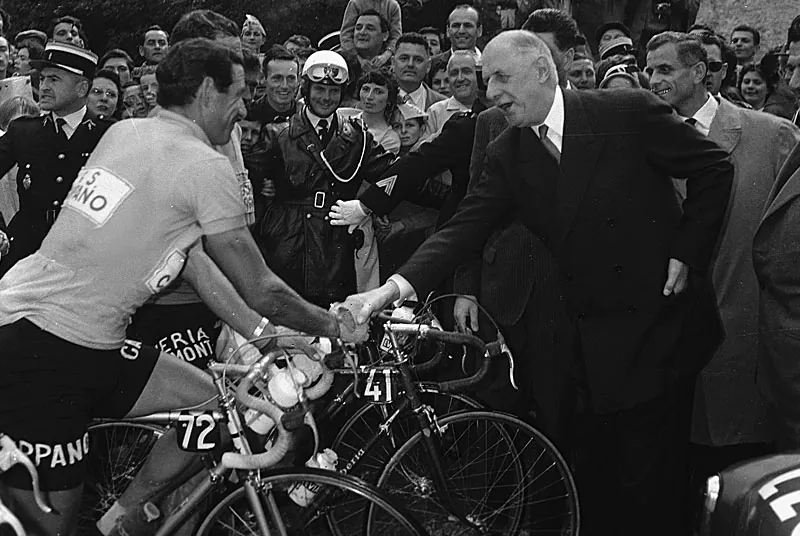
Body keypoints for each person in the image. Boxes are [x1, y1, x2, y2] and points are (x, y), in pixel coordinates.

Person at [340, 30, 734, 536]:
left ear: (543, 70)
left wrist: (687, 250)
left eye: (503, 78)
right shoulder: (510, 150)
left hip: (659, 329)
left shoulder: (626, 113)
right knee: (592, 477)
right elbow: (464, 227)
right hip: (587, 340)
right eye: (487, 82)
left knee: (653, 485)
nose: (493, 92)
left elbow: (713, 168)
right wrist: (386, 291)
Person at [0, 37, 364, 536]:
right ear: (207, 92)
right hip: (46, 351)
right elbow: (260, 285)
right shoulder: (203, 164)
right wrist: (332, 326)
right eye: (239, 93)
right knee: (43, 531)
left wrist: (265, 333)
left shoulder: (127, 131)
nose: (242, 108)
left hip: (69, 332)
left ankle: (122, 518)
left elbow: (192, 262)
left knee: (216, 407)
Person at [646, 30, 800, 523]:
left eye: (665, 70)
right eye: (650, 71)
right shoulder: (638, 140)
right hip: (666, 349)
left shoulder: (772, 136)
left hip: (750, 338)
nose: (654, 80)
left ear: (700, 73)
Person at [254, 50, 395, 307]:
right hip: (287, 243)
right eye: (319, 89)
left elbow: (394, 171)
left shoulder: (357, 137)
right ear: (306, 89)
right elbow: (250, 187)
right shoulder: (277, 135)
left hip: (334, 247)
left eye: (333, 90)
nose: (326, 97)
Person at [0, 42, 113, 277]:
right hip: (27, 258)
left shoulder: (110, 134)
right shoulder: (23, 131)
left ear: (82, 88)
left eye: (54, 79)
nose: (44, 87)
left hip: (87, 261)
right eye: (42, 79)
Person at [427, 50, 479, 135]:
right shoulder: (435, 112)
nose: (460, 78)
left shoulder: (492, 108)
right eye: (454, 73)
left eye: (466, 71)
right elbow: (421, 147)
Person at [393, 32, 446, 112]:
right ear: (393, 63)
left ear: (428, 66)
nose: (410, 64)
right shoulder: (376, 100)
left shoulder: (443, 105)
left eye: (418, 60)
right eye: (404, 58)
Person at [339, 0, 402, 68]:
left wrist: (385, 56)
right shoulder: (355, 3)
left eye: (370, 28)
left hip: (385, 57)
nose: (362, 32)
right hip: (353, 57)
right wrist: (359, 59)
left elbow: (396, 36)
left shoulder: (392, 6)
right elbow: (345, 36)